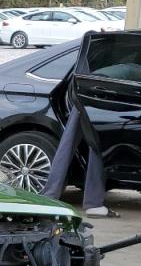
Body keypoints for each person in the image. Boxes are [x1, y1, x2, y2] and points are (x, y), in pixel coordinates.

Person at [41, 79, 114, 217]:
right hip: (100, 91)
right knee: (97, 143)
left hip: (84, 87)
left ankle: (50, 195)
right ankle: (93, 203)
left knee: (68, 143)